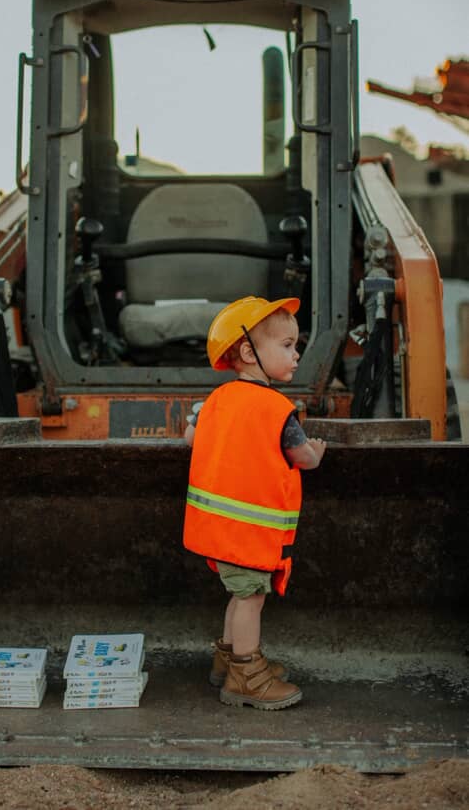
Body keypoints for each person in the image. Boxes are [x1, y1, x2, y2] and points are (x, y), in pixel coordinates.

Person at [183, 295, 326, 711]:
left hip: (217, 531)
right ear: (249, 352)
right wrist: (317, 452)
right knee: (251, 599)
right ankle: (246, 677)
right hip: (249, 535)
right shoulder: (277, 410)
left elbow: (190, 440)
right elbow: (304, 459)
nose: (296, 354)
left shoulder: (214, 402)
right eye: (287, 345)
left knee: (238, 593)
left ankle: (227, 661)